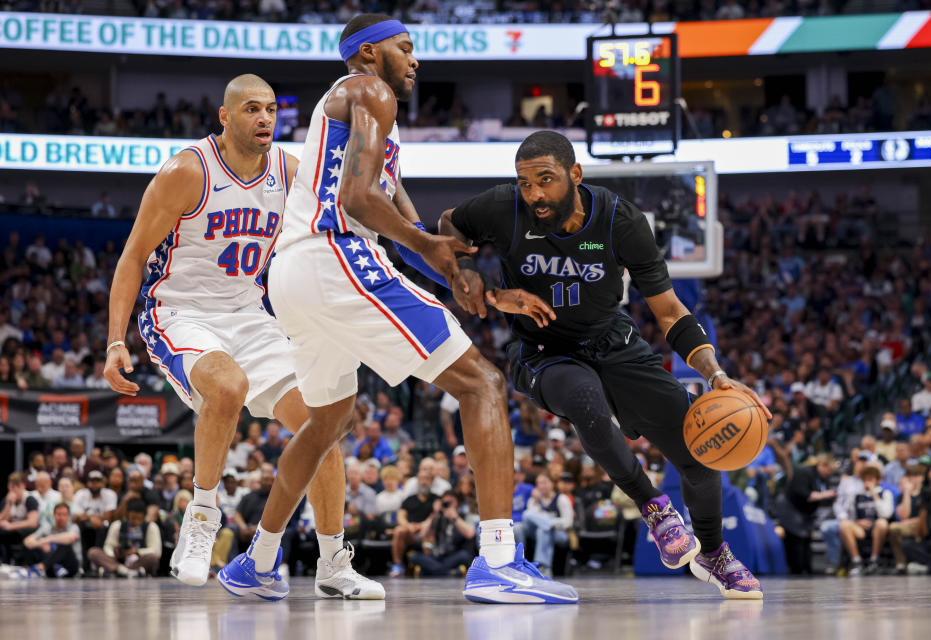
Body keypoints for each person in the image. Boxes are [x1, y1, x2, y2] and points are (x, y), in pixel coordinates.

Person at [219, 14, 577, 604]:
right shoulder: (371, 89)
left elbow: (397, 211)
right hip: (336, 257)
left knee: (328, 422)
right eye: (405, 47)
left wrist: (456, 273)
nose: (415, 60)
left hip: (293, 274)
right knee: (482, 385)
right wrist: (430, 247)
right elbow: (358, 199)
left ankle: (256, 562)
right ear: (367, 52)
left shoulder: (361, 109)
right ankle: (497, 561)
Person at [430, 130, 767, 599]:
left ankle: (713, 553)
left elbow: (670, 312)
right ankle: (654, 508)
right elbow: (450, 222)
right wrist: (477, 280)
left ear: (575, 174)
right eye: (525, 184)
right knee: (583, 399)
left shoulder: (619, 220)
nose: (535, 195)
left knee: (700, 452)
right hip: (544, 351)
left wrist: (715, 374)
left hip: (612, 341)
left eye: (545, 181)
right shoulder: (504, 207)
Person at [104, 74, 381, 598]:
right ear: (225, 117)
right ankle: (202, 515)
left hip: (250, 314)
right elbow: (133, 256)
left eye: (272, 109)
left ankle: (332, 562)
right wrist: (116, 341)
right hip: (179, 312)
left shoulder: (289, 173)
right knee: (227, 386)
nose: (265, 119)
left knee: (321, 421)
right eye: (252, 109)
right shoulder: (188, 170)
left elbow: (341, 220)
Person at [838, 465, 893, 575]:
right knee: (844, 525)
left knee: (882, 523)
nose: (867, 482)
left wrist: (874, 494)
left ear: (877, 480)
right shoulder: (857, 495)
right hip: (861, 529)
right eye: (865, 479)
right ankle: (856, 561)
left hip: (877, 529)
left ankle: (874, 560)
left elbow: (886, 514)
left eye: (870, 479)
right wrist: (857, 522)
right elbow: (850, 516)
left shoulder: (885, 493)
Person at [88, 499, 162, 577]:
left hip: (138, 561)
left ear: (144, 517)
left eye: (139, 519)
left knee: (153, 558)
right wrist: (114, 553)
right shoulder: (117, 525)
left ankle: (116, 571)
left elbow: (156, 551)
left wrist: (137, 551)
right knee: (93, 552)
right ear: (127, 515)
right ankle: (127, 572)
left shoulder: (151, 527)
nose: (136, 522)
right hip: (119, 560)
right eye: (133, 518)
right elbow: (108, 546)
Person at [409, 491, 476, 576]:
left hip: (454, 555)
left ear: (457, 503)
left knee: (465, 555)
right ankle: (449, 572)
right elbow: (422, 534)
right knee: (414, 556)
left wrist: (455, 517)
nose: (447, 505)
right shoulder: (437, 517)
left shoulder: (462, 516)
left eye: (450, 502)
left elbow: (470, 533)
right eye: (445, 503)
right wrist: (434, 513)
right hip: (438, 556)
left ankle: (434, 572)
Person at [522, 473, 574, 577]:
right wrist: (537, 504)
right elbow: (529, 520)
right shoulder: (534, 500)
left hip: (560, 533)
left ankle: (542, 566)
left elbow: (568, 522)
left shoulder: (561, 498)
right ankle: (545, 568)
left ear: (552, 484)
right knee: (528, 516)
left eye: (544, 482)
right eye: (538, 483)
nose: (541, 486)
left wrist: (552, 523)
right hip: (538, 532)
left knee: (543, 529)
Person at [19, 503, 81, 578]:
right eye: (59, 514)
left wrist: (48, 540)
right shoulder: (47, 527)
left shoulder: (73, 527)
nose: (61, 517)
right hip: (51, 564)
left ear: (68, 516)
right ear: (54, 515)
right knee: (34, 548)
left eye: (64, 514)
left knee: (65, 546)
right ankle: (33, 570)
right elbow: (27, 541)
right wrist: (41, 545)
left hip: (71, 566)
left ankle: (41, 568)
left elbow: (70, 538)